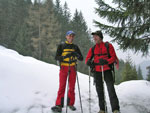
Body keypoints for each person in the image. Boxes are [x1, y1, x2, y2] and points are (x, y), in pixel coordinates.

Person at [85, 30, 120, 113]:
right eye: (93, 36)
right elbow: (87, 59)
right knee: (99, 90)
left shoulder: (108, 46)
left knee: (111, 89)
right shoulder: (93, 49)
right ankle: (102, 109)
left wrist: (106, 61)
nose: (94, 38)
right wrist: (89, 62)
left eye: (96, 36)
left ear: (100, 37)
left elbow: (113, 58)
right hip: (97, 72)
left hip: (107, 70)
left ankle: (115, 109)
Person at [51, 30, 83, 112]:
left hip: (72, 68)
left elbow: (81, 58)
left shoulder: (75, 47)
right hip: (64, 68)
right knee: (62, 87)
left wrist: (76, 54)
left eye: (72, 36)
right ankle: (59, 105)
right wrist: (65, 57)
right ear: (66, 36)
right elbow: (56, 57)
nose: (71, 37)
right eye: (69, 36)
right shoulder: (61, 45)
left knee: (71, 87)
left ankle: (70, 104)